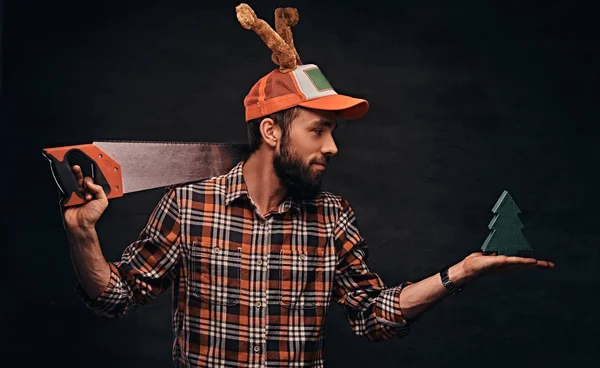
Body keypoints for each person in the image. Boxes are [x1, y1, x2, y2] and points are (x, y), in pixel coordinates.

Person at [61, 4, 555, 367]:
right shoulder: (189, 205)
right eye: (318, 130)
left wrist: (459, 273)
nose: (333, 147)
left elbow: (371, 314)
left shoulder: (331, 216)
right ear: (272, 131)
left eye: (333, 132)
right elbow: (116, 298)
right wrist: (83, 234)